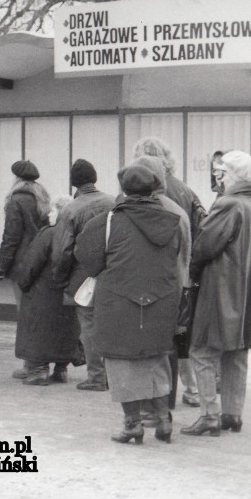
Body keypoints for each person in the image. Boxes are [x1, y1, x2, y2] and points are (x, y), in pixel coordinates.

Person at [76, 163, 187, 444]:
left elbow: (87, 259)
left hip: (118, 301)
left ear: (124, 189)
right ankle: (163, 420)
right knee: (157, 358)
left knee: (121, 362)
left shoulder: (107, 221)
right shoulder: (171, 221)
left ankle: (132, 425)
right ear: (154, 189)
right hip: (162, 299)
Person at [181, 151, 251, 437]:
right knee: (236, 352)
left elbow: (204, 245)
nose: (219, 178)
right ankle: (233, 414)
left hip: (219, 287)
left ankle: (209, 415)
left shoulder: (227, 205)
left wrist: (191, 274)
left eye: (223, 173)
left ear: (235, 176)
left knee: (202, 350)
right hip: (247, 289)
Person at [132, 138, 206, 408]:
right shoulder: (184, 189)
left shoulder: (155, 194)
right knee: (181, 334)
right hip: (183, 273)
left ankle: (166, 396)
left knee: (166, 338)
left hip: (160, 277)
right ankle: (192, 389)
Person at [52, 158, 116, 391]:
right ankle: (113, 375)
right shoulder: (113, 202)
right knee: (110, 324)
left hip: (82, 277)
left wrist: (60, 279)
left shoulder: (71, 209)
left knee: (88, 325)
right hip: (112, 274)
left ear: (74, 184)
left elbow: (62, 250)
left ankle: (97, 376)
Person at [0, 160, 50, 379]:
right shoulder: (42, 198)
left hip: (21, 265)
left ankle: (32, 365)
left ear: (16, 178)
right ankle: (39, 362)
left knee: (25, 315)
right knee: (38, 313)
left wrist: (1, 264)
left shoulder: (15, 200)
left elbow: (11, 237)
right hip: (41, 261)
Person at [13, 194, 79, 385]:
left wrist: (24, 284)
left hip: (43, 291)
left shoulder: (48, 234)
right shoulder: (77, 234)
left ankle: (38, 370)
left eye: (53, 209)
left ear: (59, 212)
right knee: (64, 329)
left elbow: (30, 265)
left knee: (38, 327)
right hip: (67, 294)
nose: (50, 213)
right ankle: (61, 369)